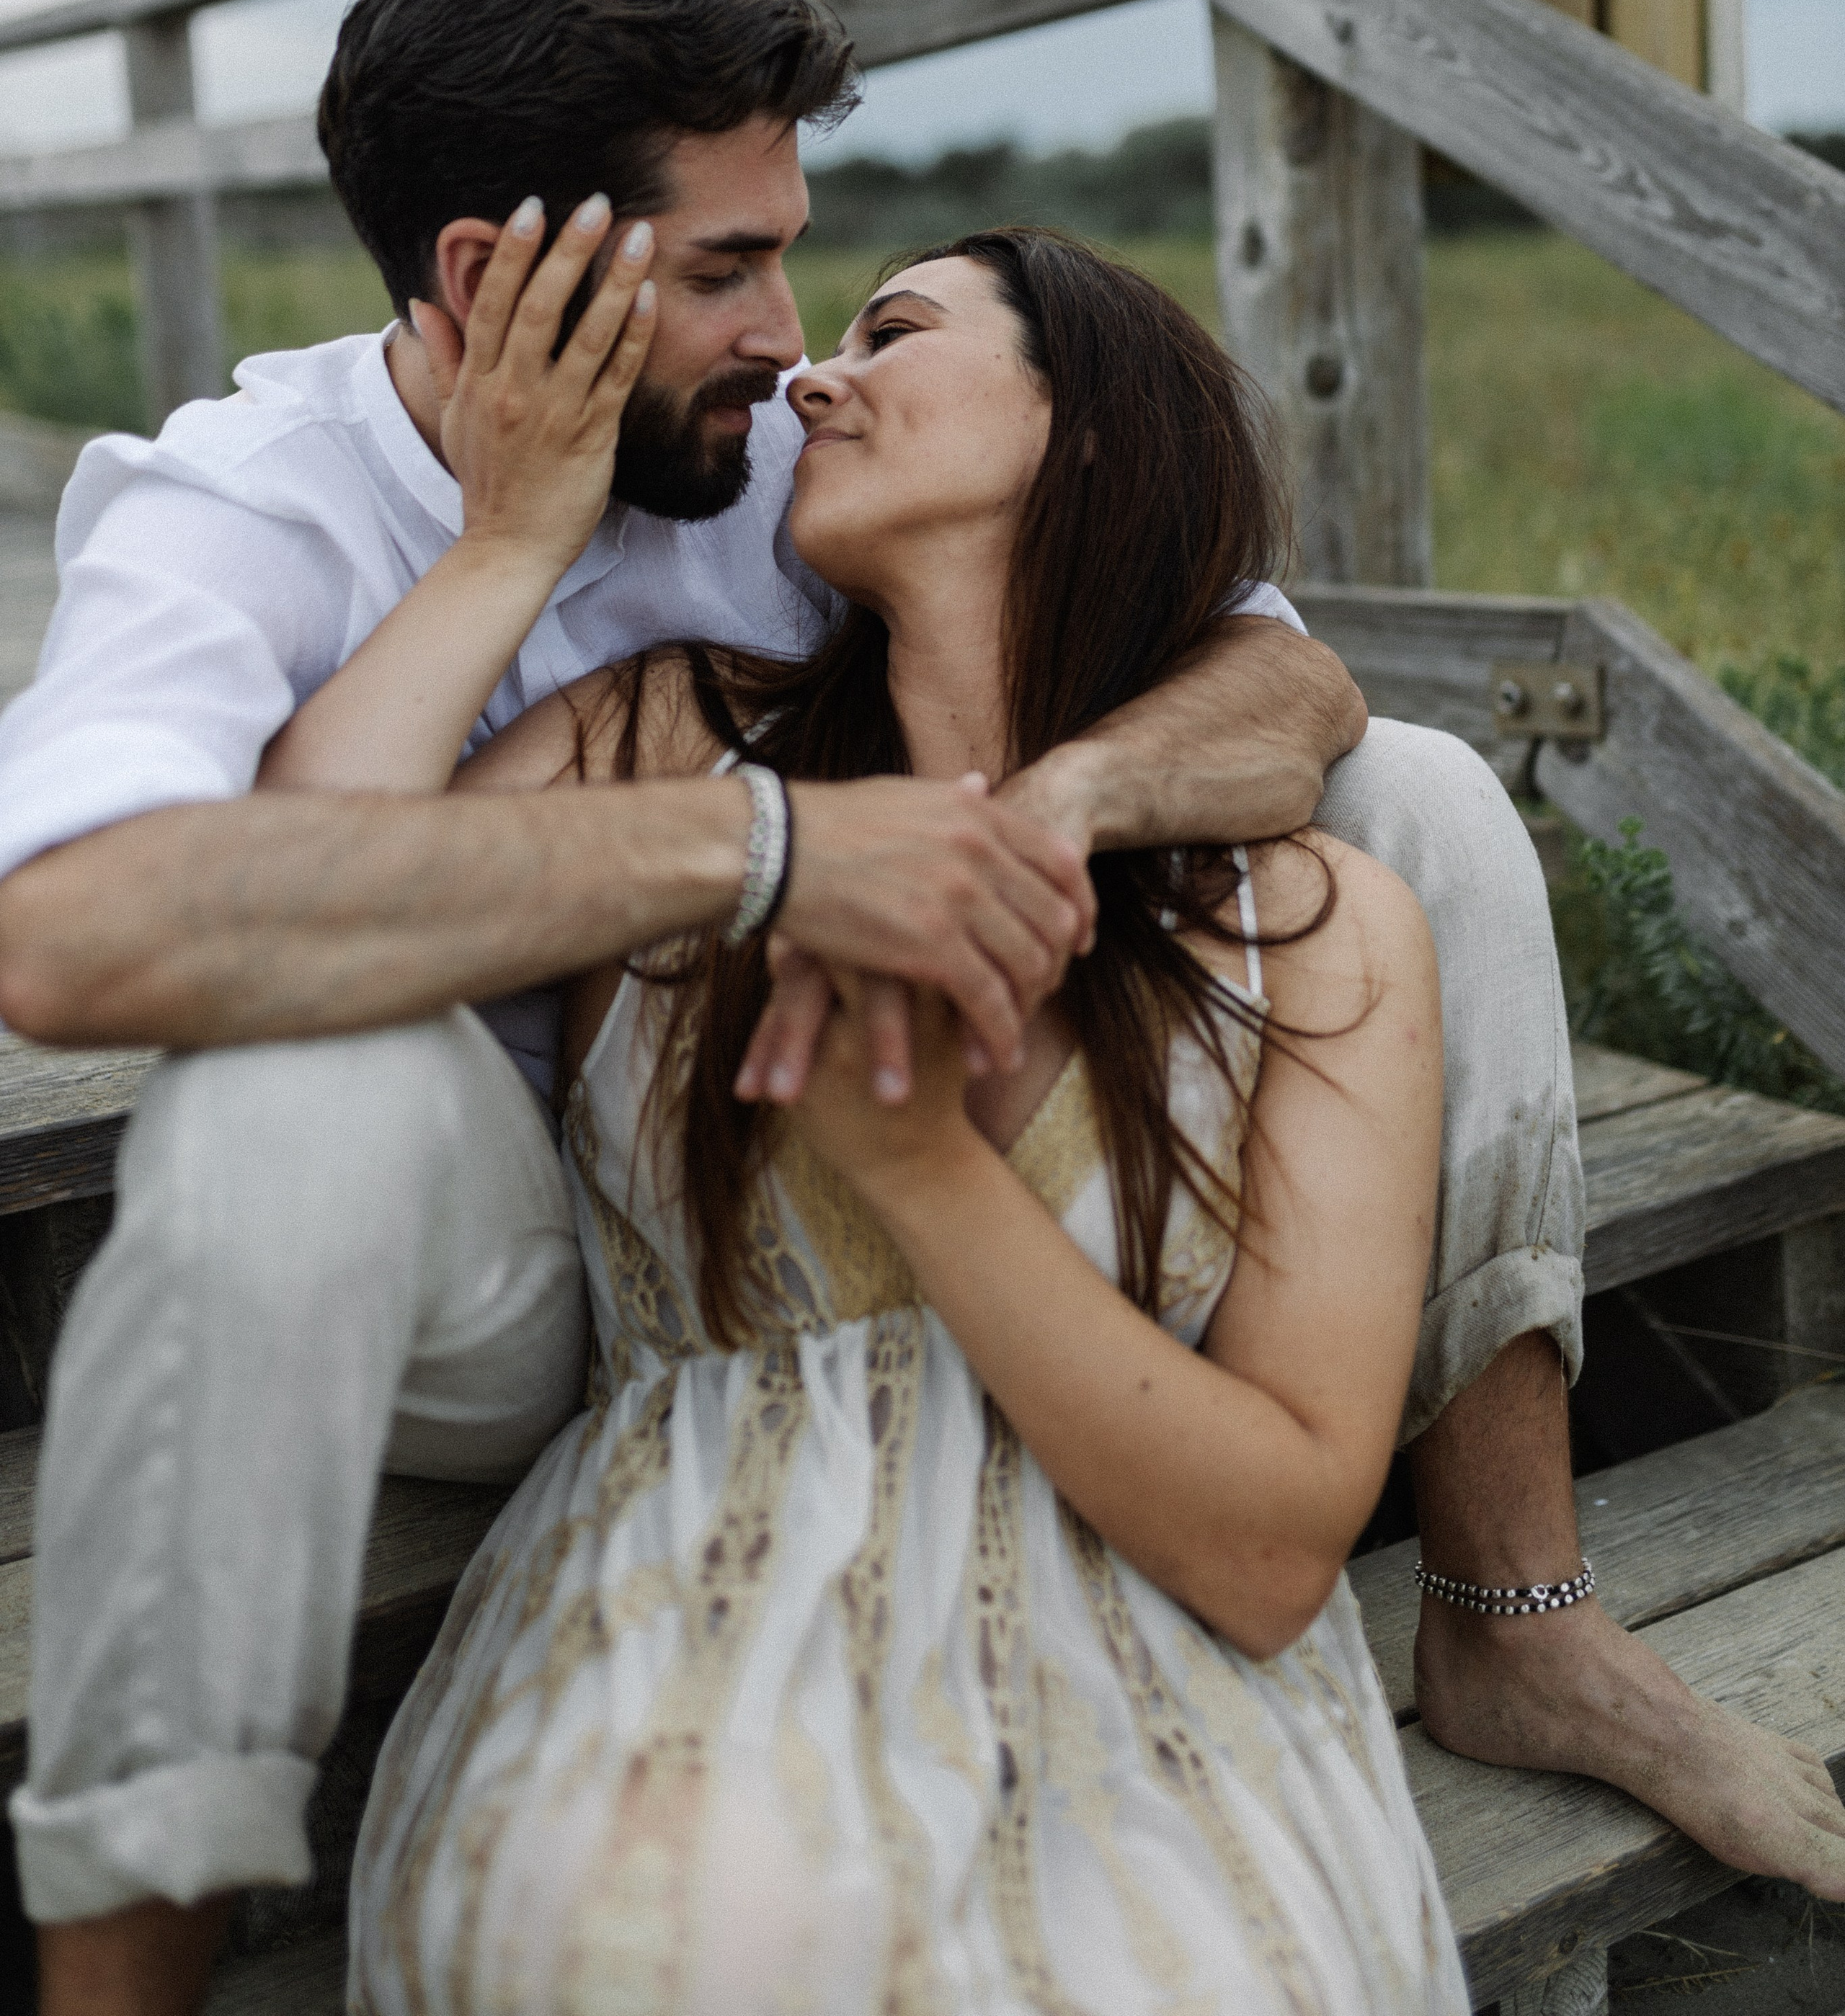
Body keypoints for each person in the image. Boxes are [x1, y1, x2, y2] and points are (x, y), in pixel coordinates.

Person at [0, 0, 1833, 2013]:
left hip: (899, 1129)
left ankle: (1519, 1610)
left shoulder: (791, 436)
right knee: (276, 1108)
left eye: (814, 267)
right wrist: (658, 717)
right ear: (493, 279)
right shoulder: (241, 507)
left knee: (1411, 797)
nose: (792, 344)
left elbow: (1276, 685)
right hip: (495, 1229)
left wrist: (1023, 819)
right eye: (725, 273)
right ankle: (125, 1949)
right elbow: (76, 935)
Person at [303, 221, 1470, 2011]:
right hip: (686, 1604)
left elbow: (1270, 1547)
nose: (811, 377)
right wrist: (510, 538)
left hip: (1144, 1644)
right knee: (664, 1928)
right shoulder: (663, 750)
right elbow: (304, 898)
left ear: (1084, 431)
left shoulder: (1300, 923)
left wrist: (921, 1166)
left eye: (894, 330)